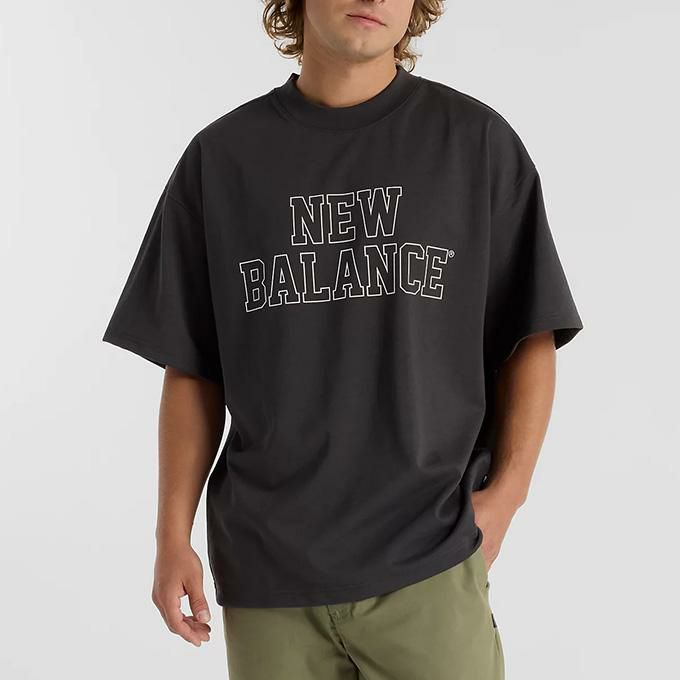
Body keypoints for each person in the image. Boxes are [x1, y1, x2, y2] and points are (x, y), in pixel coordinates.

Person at [102, 1, 583, 677]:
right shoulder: (223, 159)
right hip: (268, 578)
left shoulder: (474, 144)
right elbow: (193, 368)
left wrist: (506, 499)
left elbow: (530, 335)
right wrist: (170, 535)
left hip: (428, 562)